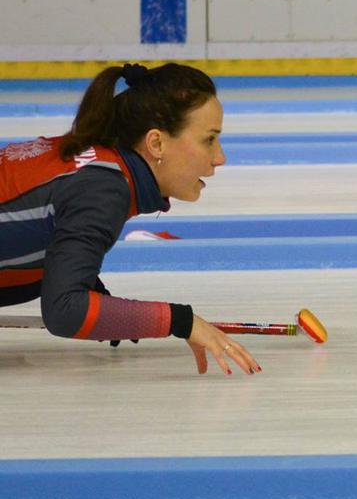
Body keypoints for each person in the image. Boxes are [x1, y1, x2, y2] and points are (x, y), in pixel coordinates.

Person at [0, 62, 261, 376]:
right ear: (156, 143)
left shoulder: (97, 163)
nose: (220, 157)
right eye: (209, 140)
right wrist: (180, 321)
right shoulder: (103, 189)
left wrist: (109, 308)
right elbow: (65, 311)